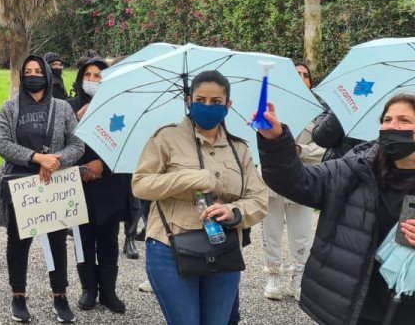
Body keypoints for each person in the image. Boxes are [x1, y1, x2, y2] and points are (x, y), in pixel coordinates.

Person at [255, 94, 415, 325]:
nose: (392, 126)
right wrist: (276, 141)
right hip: (357, 306)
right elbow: (297, 181)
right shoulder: (358, 168)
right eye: (387, 119)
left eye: (404, 120)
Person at [132, 70, 269, 325]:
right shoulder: (166, 138)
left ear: (228, 104)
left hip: (223, 246)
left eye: (216, 101)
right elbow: (140, 185)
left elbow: (259, 199)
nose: (207, 106)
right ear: (189, 100)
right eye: (200, 100)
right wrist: (191, 178)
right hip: (170, 246)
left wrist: (234, 211)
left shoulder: (239, 148)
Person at [0, 55, 85, 323]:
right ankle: (18, 294)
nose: (33, 76)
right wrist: (37, 158)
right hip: (21, 185)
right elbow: (3, 144)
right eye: (28, 72)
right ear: (22, 76)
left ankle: (60, 295)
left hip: (54, 184)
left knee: (57, 241)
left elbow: (77, 144)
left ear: (47, 75)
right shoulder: (9, 108)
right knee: (18, 241)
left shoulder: (62, 108)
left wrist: (55, 161)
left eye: (38, 71)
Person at [66, 57, 128, 313]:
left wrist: (101, 164)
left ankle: (109, 291)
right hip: (79, 183)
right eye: (88, 75)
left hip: (109, 184)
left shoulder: (118, 107)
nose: (92, 80)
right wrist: (77, 119)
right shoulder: (69, 106)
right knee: (83, 238)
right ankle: (88, 289)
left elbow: (123, 142)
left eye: (98, 76)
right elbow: (61, 142)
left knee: (108, 239)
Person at [259, 60, 324, 301]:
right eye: (296, 74)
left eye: (305, 75)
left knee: (302, 233)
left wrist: (299, 149)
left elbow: (324, 148)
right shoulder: (270, 106)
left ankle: (298, 276)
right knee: (271, 231)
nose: (301, 78)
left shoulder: (320, 113)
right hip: (272, 179)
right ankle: (273, 275)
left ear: (311, 82)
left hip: (303, 178)